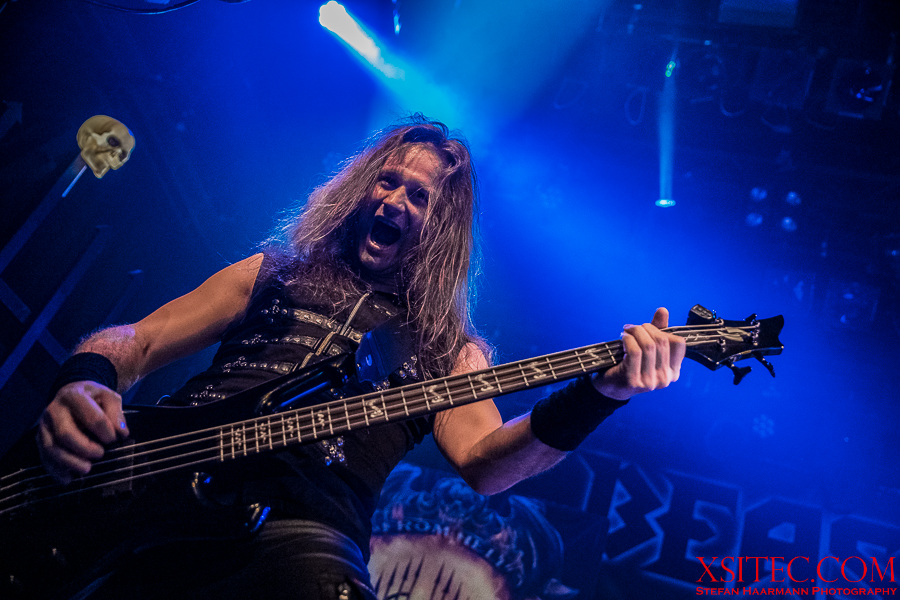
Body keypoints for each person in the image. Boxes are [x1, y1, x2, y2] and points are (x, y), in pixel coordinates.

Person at [37, 116, 686, 599]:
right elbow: (138, 341)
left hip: (303, 529)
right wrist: (82, 382)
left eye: (419, 196)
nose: (393, 201)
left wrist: (598, 395)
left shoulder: (447, 348)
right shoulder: (276, 271)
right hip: (147, 482)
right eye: (387, 181)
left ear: (441, 231)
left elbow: (487, 465)